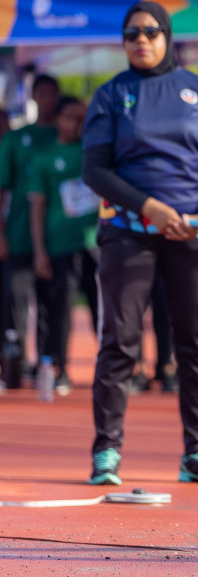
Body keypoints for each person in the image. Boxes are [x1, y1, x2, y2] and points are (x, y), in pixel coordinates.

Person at [82, 1, 198, 485]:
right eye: (132, 34)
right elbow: (95, 170)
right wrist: (150, 208)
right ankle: (106, 451)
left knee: (196, 343)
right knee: (120, 343)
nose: (142, 40)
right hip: (129, 233)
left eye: (151, 32)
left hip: (193, 236)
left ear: (168, 36)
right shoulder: (110, 96)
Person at [28, 96, 100, 393]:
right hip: (60, 245)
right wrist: (40, 251)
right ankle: (59, 368)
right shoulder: (45, 157)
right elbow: (37, 207)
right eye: (70, 117)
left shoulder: (95, 154)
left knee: (103, 308)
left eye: (82, 118)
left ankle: (120, 369)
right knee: (62, 308)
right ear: (58, 119)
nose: (76, 124)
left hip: (95, 242)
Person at [0, 74, 61, 378]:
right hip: (20, 236)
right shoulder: (15, 139)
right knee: (16, 302)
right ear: (34, 97)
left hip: (59, 239)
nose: (48, 99)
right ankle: (14, 364)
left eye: (53, 93)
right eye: (42, 93)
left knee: (53, 305)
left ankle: (48, 366)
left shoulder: (67, 137)